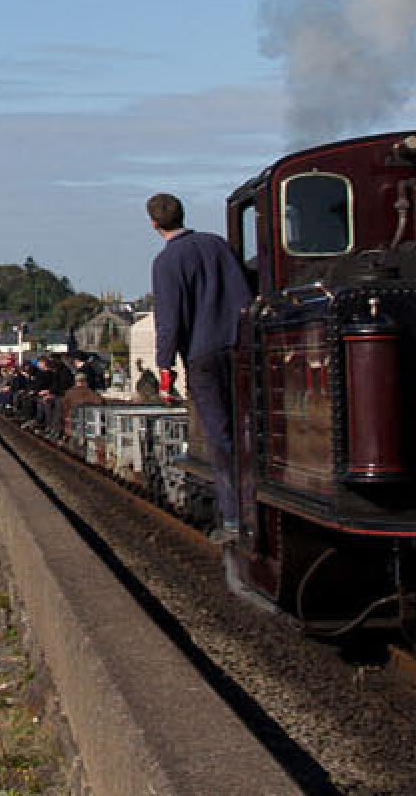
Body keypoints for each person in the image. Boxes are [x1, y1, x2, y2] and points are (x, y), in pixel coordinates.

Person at [144, 192, 258, 604]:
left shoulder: (167, 262)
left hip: (204, 353)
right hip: (244, 345)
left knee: (220, 435)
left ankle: (233, 514)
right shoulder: (217, 245)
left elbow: (170, 318)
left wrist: (165, 368)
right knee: (251, 424)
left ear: (154, 224)